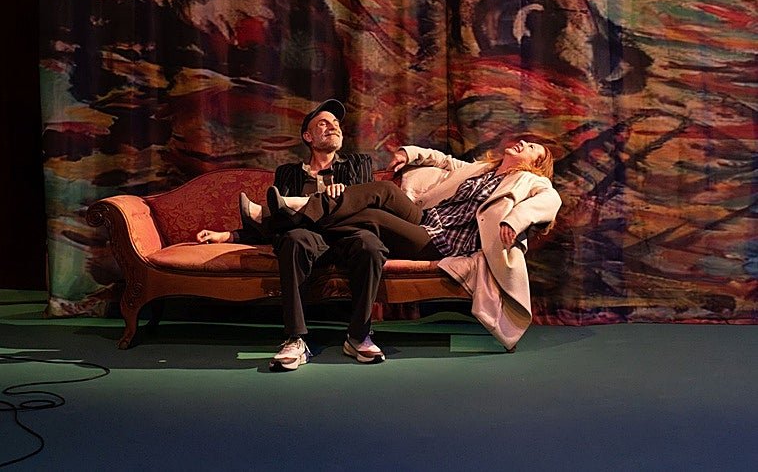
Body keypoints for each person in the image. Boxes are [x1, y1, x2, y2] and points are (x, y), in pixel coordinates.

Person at [246, 139, 562, 351]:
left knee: (373, 217)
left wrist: (514, 220)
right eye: (524, 141)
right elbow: (444, 160)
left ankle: (278, 220)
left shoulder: (532, 182)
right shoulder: (482, 168)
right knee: (383, 190)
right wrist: (409, 154)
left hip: (440, 241)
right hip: (425, 219)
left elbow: (550, 201)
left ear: (537, 163)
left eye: (532, 147)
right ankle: (288, 218)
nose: (523, 143)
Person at [196, 99, 386, 371]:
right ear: (308, 136)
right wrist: (229, 236)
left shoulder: (358, 164)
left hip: (349, 235)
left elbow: (367, 207)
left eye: (336, 123)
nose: (333, 127)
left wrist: (344, 195)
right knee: (292, 238)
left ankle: (358, 336)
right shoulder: (288, 173)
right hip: (308, 238)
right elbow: (279, 222)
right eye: (323, 123)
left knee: (371, 245)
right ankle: (296, 339)